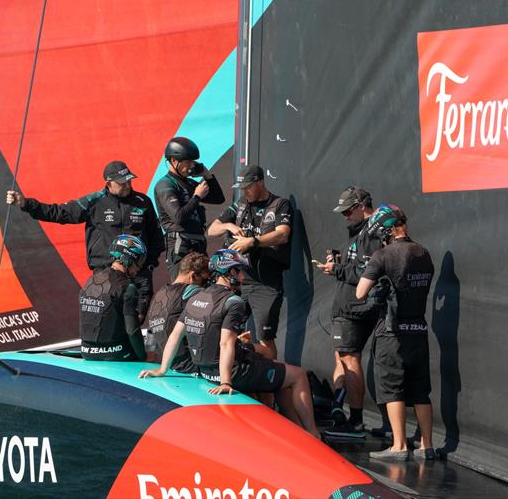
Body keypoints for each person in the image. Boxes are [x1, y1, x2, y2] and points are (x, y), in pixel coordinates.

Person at [139, 250, 320, 439]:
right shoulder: (234, 302)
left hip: (204, 370)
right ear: (230, 273)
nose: (243, 277)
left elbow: (175, 336)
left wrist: (161, 369)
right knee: (298, 375)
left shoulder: (195, 298)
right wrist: (226, 381)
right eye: (240, 271)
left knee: (278, 376)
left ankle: (295, 433)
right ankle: (314, 435)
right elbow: (226, 344)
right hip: (231, 371)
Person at [7, 160, 164, 320]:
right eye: (122, 182)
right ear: (108, 183)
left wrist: (149, 264)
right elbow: (59, 213)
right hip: (106, 271)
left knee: (136, 318)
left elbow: (156, 237)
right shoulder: (94, 201)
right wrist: (26, 204)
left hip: (138, 271)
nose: (127, 185)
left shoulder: (143, 202)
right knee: (111, 319)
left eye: (129, 180)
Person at [356, 204, 436, 461]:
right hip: (419, 330)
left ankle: (399, 446)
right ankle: (427, 446)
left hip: (392, 332)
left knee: (392, 388)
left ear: (384, 230)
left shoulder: (383, 255)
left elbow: (360, 292)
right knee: (421, 390)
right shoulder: (423, 252)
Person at [316, 186, 384, 440]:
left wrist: (337, 269)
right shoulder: (363, 232)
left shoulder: (372, 232)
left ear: (360, 207)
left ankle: (355, 422)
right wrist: (339, 262)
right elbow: (359, 264)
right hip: (352, 307)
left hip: (355, 309)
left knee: (349, 360)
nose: (344, 217)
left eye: (347, 212)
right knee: (344, 358)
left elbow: (368, 272)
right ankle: (344, 410)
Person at [207, 165, 291, 360]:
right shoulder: (241, 204)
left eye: (248, 187)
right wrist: (229, 225)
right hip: (238, 283)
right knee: (224, 331)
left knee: (265, 339)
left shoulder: (279, 204)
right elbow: (212, 229)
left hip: (266, 284)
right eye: (242, 187)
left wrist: (253, 241)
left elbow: (283, 235)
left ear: (260, 182)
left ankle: (268, 383)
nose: (245, 191)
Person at [154, 137, 225, 280]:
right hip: (180, 246)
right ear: (174, 161)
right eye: (188, 162)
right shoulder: (165, 185)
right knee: (183, 289)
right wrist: (197, 197)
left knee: (203, 287)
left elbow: (219, 199)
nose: (192, 165)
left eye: (193, 162)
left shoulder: (190, 183)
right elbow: (178, 217)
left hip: (197, 244)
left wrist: (207, 175)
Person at [79, 235, 149, 361]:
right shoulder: (128, 287)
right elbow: (132, 330)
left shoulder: (90, 281)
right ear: (129, 259)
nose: (139, 267)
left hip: (86, 351)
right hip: (115, 353)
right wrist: (144, 357)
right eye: (139, 261)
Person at [145, 252, 211, 374]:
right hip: (191, 365)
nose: (206, 285)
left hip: (166, 362)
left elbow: (151, 331)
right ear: (193, 276)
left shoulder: (160, 294)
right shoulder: (195, 293)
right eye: (204, 280)